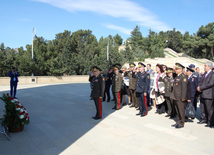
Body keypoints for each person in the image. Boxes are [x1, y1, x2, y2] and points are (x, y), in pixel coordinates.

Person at [170, 63, 188, 129]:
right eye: (176, 69)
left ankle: (181, 122)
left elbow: (184, 88)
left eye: (177, 69)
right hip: (176, 96)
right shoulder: (178, 76)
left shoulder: (183, 77)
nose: (176, 70)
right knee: (177, 110)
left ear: (181, 70)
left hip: (180, 96)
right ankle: (178, 121)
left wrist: (183, 97)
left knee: (181, 110)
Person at [197, 62, 214, 128]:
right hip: (202, 93)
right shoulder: (205, 74)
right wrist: (198, 86)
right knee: (202, 107)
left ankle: (211, 121)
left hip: (208, 94)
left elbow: (211, 83)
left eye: (205, 66)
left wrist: (201, 88)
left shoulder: (212, 74)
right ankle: (204, 119)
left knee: (209, 109)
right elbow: (200, 81)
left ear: (209, 67)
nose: (204, 67)